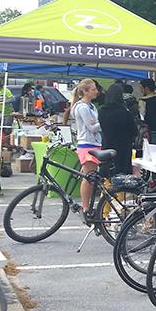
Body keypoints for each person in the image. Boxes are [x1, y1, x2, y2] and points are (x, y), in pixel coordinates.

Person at [65, 79, 102, 219]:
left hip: (94, 142)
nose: (96, 91)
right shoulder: (82, 107)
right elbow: (91, 127)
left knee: (89, 176)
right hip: (87, 144)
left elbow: (94, 125)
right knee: (88, 178)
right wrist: (102, 121)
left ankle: (87, 206)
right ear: (85, 92)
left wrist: (98, 123)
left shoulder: (91, 106)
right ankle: (86, 207)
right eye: (93, 89)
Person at [99, 83, 138, 176]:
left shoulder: (101, 111)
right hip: (123, 147)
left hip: (107, 144)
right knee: (122, 174)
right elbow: (134, 131)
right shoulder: (125, 112)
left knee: (107, 173)